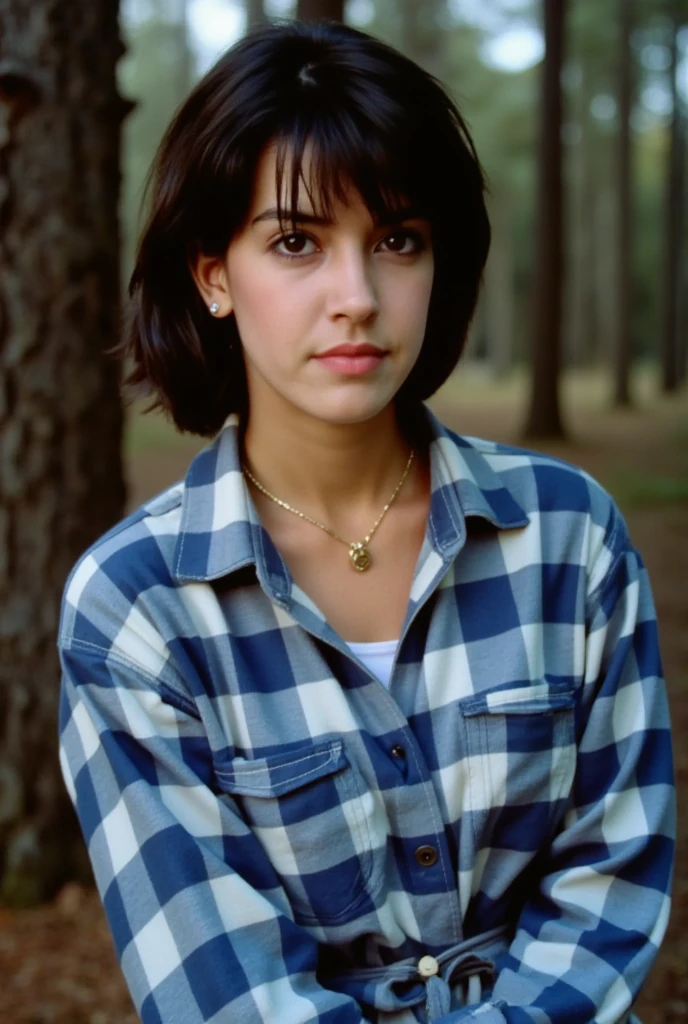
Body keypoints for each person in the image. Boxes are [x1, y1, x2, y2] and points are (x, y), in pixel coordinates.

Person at [58, 19, 674, 1024]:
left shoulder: (569, 537)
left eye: (396, 240)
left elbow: (609, 889)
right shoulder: (136, 608)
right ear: (212, 273)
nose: (357, 296)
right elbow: (218, 982)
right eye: (295, 241)